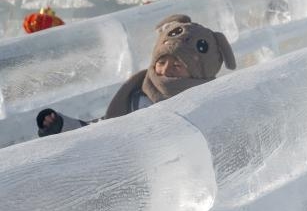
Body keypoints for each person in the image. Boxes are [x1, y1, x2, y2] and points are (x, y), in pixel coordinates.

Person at [36, 14, 236, 137]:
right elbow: (100, 131)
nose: (166, 70)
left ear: (199, 73)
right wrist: (62, 126)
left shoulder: (204, 107)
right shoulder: (136, 97)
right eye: (161, 62)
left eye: (177, 65)